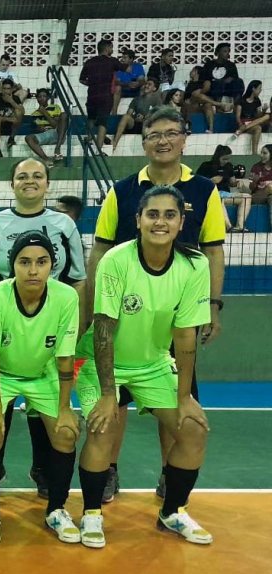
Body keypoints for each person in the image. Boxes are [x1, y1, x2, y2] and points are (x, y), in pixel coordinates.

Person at [87, 107, 226, 501]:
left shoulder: (204, 190)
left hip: (176, 311)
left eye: (171, 133)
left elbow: (214, 251)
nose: (163, 141)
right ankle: (109, 472)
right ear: (143, 141)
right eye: (154, 134)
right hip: (126, 313)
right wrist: (95, 305)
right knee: (115, 399)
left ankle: (170, 473)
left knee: (175, 397)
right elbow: (100, 248)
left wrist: (212, 305)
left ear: (184, 139)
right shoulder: (123, 189)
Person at [77, 185, 213, 548]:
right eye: (152, 214)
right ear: (138, 221)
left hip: (153, 364)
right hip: (104, 362)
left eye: (170, 215)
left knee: (193, 428)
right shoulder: (116, 261)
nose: (160, 222)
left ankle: (173, 512)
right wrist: (109, 395)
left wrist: (184, 397)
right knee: (103, 428)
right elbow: (103, 329)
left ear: (181, 222)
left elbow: (185, 337)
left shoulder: (194, 264)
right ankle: (91, 513)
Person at [0, 158, 86, 500]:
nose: (29, 181)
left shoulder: (63, 224)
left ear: (47, 183)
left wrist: (74, 327)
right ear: (12, 183)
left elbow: (77, 278)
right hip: (4, 325)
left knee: (43, 408)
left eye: (37, 176)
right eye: (22, 176)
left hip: (48, 328)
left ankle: (44, 471)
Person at [0, 231, 80, 544]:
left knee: (66, 433)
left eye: (41, 262)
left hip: (41, 372)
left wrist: (64, 409)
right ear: (12, 265)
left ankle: (57, 509)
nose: (33, 270)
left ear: (52, 266)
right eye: (24, 262)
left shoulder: (65, 298)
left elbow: (65, 357)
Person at [79, 39, 124, 151]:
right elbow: (126, 69)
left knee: (91, 118)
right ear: (107, 48)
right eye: (111, 47)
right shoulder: (112, 61)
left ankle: (89, 138)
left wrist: (93, 83)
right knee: (103, 122)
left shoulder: (90, 62)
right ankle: (98, 148)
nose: (112, 50)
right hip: (105, 95)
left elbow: (82, 80)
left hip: (92, 95)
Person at [197, 145, 252, 233]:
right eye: (224, 159)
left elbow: (232, 182)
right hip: (212, 194)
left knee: (247, 197)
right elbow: (198, 182)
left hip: (226, 194)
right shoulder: (206, 166)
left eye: (228, 159)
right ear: (218, 157)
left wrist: (238, 183)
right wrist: (211, 181)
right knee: (217, 198)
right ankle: (228, 226)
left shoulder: (229, 166)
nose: (226, 161)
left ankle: (240, 226)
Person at [112, 78, 162, 151]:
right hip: (135, 123)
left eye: (149, 84)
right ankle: (114, 143)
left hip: (147, 125)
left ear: (154, 88)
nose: (146, 86)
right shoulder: (137, 99)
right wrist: (136, 117)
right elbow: (129, 113)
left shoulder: (157, 100)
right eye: (146, 84)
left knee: (147, 121)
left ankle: (146, 146)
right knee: (126, 117)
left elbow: (158, 115)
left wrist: (144, 117)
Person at [24, 88, 68, 167]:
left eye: (44, 96)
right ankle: (46, 159)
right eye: (40, 96)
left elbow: (55, 125)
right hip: (45, 135)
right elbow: (38, 129)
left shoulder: (55, 107)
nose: (42, 98)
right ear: (37, 99)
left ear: (47, 98)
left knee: (64, 115)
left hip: (56, 133)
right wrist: (39, 128)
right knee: (28, 138)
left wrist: (44, 112)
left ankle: (57, 149)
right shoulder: (34, 114)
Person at [0, 79, 24, 155]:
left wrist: (11, 101)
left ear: (12, 89)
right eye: (4, 88)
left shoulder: (15, 98)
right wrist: (9, 119)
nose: (5, 91)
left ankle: (11, 138)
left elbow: (22, 112)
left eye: (8, 89)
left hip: (11, 126)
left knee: (18, 111)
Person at [234, 81, 269, 156]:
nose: (260, 90)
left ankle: (254, 153)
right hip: (243, 123)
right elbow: (237, 116)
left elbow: (257, 116)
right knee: (257, 127)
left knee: (258, 128)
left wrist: (264, 111)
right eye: (259, 88)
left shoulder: (257, 101)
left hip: (252, 124)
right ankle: (241, 129)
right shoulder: (241, 100)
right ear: (253, 89)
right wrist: (240, 125)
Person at [111, 49, 146, 114]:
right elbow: (117, 82)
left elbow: (142, 80)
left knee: (143, 87)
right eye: (122, 57)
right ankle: (114, 113)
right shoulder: (119, 68)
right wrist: (127, 84)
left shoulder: (138, 66)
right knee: (117, 88)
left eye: (125, 58)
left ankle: (140, 113)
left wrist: (137, 83)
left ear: (131, 59)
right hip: (124, 89)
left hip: (135, 89)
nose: (122, 59)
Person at [250, 144, 272, 224]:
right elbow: (251, 188)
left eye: (265, 153)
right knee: (270, 187)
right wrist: (255, 181)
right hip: (257, 196)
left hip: (269, 197)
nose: (261, 155)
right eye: (261, 153)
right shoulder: (256, 167)